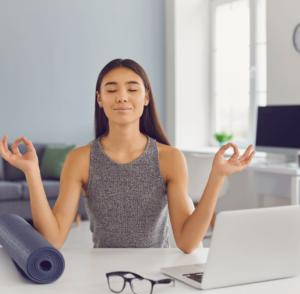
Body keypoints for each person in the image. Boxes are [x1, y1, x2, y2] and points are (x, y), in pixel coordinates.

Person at [0, 58, 255, 253]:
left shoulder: (170, 158)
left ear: (146, 98)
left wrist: (217, 176)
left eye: (132, 89)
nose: (122, 97)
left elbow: (187, 243)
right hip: (103, 273)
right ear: (99, 99)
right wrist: (32, 172)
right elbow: (52, 240)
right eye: (111, 90)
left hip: (158, 272)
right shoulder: (80, 158)